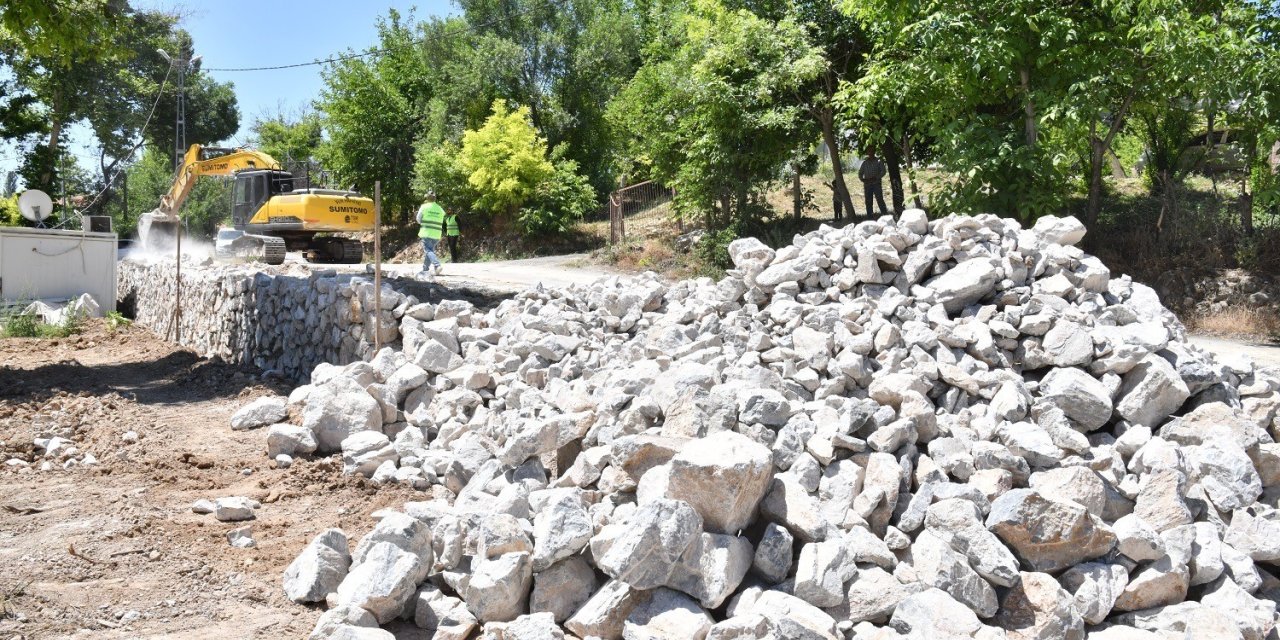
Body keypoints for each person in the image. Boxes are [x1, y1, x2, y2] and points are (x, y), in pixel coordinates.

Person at [417, 191, 446, 276]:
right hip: (437, 234)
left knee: (428, 250)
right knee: (430, 251)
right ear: (435, 199)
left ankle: (437, 266)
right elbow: (443, 216)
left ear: (427, 198)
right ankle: (425, 270)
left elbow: (418, 219)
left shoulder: (424, 207)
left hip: (426, 232)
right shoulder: (440, 208)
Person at [859, 150, 890, 217]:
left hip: (876, 183)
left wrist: (876, 177)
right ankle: (870, 216)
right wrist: (863, 179)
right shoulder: (865, 163)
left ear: (874, 152)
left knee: (879, 199)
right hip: (867, 184)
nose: (870, 153)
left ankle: (885, 215)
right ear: (867, 153)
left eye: (871, 151)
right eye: (869, 151)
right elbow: (860, 173)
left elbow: (883, 171)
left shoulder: (878, 161)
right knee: (868, 201)